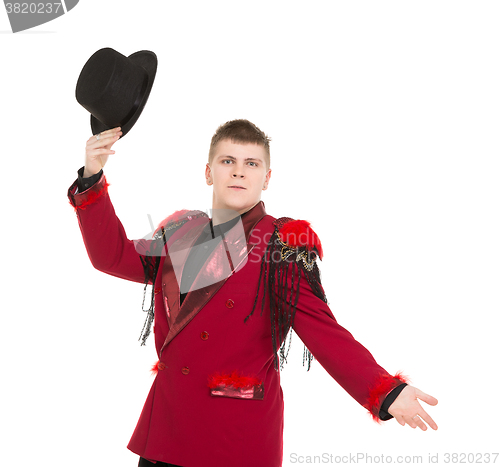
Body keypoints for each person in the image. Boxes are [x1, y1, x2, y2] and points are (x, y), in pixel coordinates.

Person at [67, 119, 438, 467]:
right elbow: (111, 256)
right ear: (209, 171)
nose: (239, 171)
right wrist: (92, 176)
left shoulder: (282, 246)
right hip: (166, 429)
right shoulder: (180, 233)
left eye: (252, 163)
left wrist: (385, 392)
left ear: (267, 177)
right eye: (228, 160)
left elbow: (325, 334)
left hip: (236, 440)